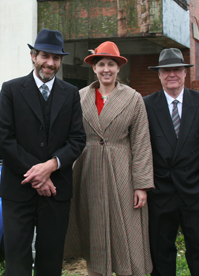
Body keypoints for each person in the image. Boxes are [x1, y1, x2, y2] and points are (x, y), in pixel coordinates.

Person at [0, 28, 86, 276]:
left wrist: (50, 167)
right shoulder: (11, 90)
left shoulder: (70, 94)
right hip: (18, 190)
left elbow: (77, 139)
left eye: (56, 58)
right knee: (16, 263)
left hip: (56, 191)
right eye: (45, 56)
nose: (50, 63)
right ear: (33, 56)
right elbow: (4, 140)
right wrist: (38, 175)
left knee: (51, 261)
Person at [65, 41, 154, 276]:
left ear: (118, 68)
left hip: (122, 172)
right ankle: (96, 271)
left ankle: (126, 271)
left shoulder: (134, 98)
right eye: (101, 64)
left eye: (111, 64)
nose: (106, 69)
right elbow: (70, 136)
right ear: (93, 68)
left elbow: (141, 142)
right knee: (93, 229)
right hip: (87, 170)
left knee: (125, 228)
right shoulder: (80, 97)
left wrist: (142, 185)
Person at [143, 48, 199, 276]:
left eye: (176, 69)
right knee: (160, 253)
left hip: (195, 191)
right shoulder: (146, 104)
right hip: (161, 192)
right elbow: (141, 147)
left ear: (185, 73)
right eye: (166, 71)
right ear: (159, 75)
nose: (172, 75)